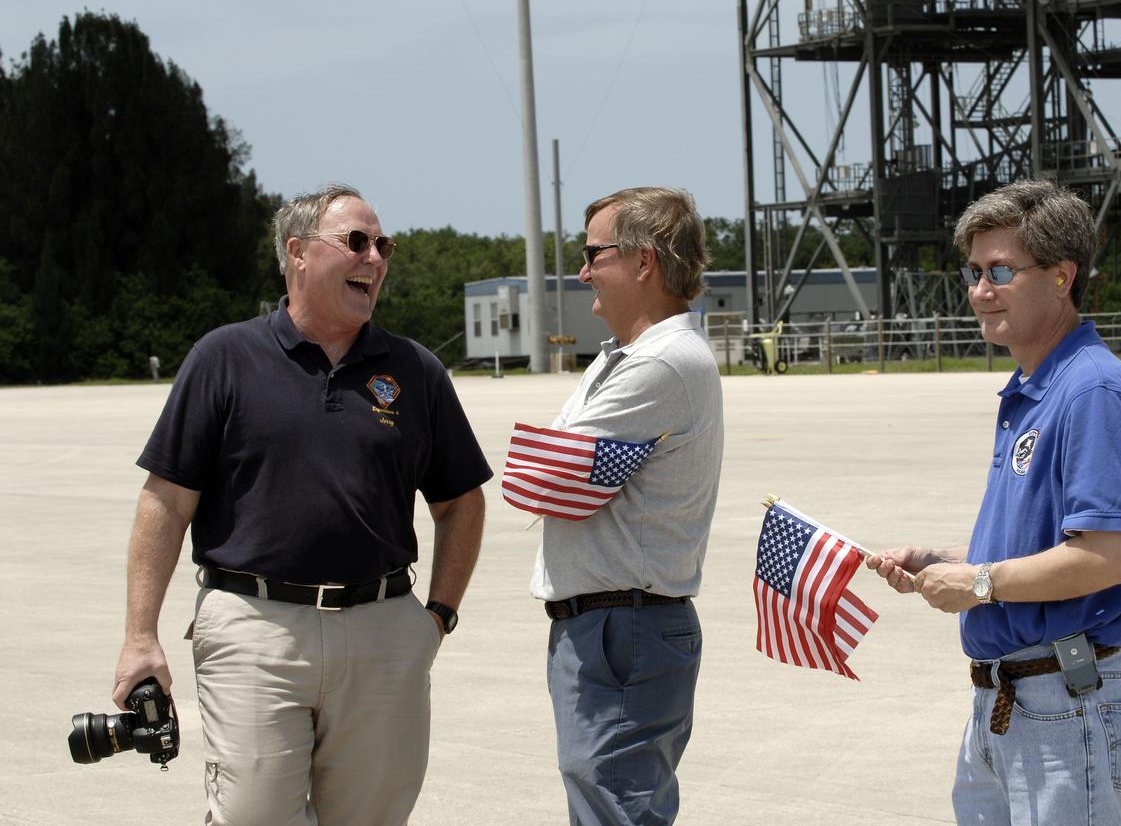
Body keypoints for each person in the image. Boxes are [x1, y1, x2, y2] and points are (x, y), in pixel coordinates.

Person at [112, 184, 491, 825]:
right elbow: (166, 504)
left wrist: (436, 619)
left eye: (383, 245)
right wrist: (139, 636)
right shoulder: (223, 358)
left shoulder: (416, 370)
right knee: (252, 816)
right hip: (254, 629)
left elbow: (461, 502)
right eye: (356, 242)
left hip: (383, 631)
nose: (375, 259)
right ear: (298, 254)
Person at [867, 179, 1121, 825]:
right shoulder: (1034, 389)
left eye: (1002, 270)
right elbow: (1044, 548)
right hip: (1007, 702)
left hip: (1063, 705)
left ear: (1062, 276)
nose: (980, 291)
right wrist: (938, 559)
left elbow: (1106, 557)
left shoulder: (1091, 392)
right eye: (974, 272)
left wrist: (978, 582)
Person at [531, 187, 725, 824]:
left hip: (623, 628)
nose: (582, 270)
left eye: (594, 253)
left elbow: (540, 477)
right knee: (605, 799)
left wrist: (559, 466)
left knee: (612, 805)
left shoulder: (662, 363)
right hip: (610, 625)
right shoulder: (620, 359)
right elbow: (554, 473)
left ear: (644, 261)